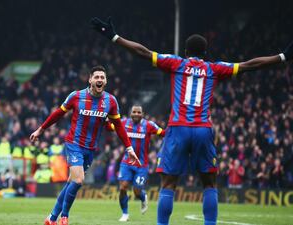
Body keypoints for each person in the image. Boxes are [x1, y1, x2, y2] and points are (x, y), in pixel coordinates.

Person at [91, 17, 293, 225]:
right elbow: (249, 65)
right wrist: (283, 56)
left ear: (186, 53)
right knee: (209, 184)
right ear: (205, 54)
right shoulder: (214, 69)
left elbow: (142, 52)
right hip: (203, 130)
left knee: (168, 184)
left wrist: (114, 37)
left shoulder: (175, 63)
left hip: (178, 128)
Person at [30, 65, 140, 225]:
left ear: (106, 81)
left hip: (91, 148)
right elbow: (58, 114)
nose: (100, 80)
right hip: (73, 143)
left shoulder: (111, 101)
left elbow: (118, 126)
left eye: (102, 77)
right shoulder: (76, 96)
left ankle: (51, 218)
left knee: (71, 182)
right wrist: (41, 129)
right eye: (97, 77)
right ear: (90, 79)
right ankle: (64, 217)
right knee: (79, 180)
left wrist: (129, 148)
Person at [105, 105, 165, 221]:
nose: (136, 114)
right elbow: (110, 127)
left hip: (142, 165)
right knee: (123, 188)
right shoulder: (123, 123)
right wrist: (106, 119)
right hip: (127, 162)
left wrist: (175, 128)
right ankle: (125, 214)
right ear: (130, 113)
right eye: (134, 112)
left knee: (136, 191)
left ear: (142, 114)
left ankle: (143, 198)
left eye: (139, 112)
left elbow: (163, 133)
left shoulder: (148, 125)